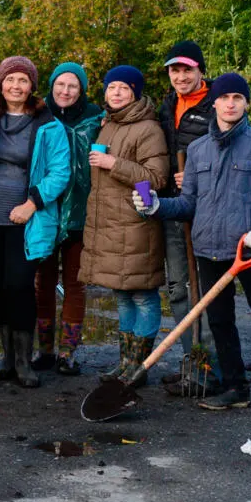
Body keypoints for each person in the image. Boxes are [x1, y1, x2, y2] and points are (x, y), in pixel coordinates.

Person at [134, 73, 251, 411]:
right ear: (215, 104)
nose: (231, 104)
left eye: (238, 98)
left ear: (246, 103)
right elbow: (189, 203)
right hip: (209, 248)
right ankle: (236, 389)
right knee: (220, 322)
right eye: (225, 98)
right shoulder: (197, 149)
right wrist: (156, 206)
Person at [0, 56, 70, 388]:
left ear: (32, 86)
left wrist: (32, 204)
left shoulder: (48, 125)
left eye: (23, 80)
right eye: (10, 79)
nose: (16, 86)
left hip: (26, 220)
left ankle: (24, 362)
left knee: (19, 287)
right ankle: (6, 360)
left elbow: (60, 173)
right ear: (1, 83)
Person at [79, 66, 169, 384]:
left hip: (136, 227)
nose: (116, 93)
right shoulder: (109, 126)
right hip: (112, 227)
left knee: (143, 296)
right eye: (111, 87)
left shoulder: (148, 129)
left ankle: (139, 367)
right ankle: (125, 364)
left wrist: (113, 163)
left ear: (135, 93)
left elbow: (156, 178)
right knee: (122, 296)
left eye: (124, 88)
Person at [33, 63, 103, 375]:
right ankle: (44, 349)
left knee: (76, 283)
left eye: (72, 86)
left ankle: (67, 353)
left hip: (81, 210)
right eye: (60, 84)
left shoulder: (96, 118)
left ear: (82, 89)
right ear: (51, 86)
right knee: (43, 282)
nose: (65, 91)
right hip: (45, 208)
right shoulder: (39, 116)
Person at [158, 40, 220, 393]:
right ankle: (190, 365)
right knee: (178, 287)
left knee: (207, 292)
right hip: (173, 207)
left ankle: (210, 370)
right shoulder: (168, 106)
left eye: (187, 70)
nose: (180, 76)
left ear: (200, 71)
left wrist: (197, 176)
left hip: (208, 211)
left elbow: (228, 156)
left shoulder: (218, 105)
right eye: (174, 70)